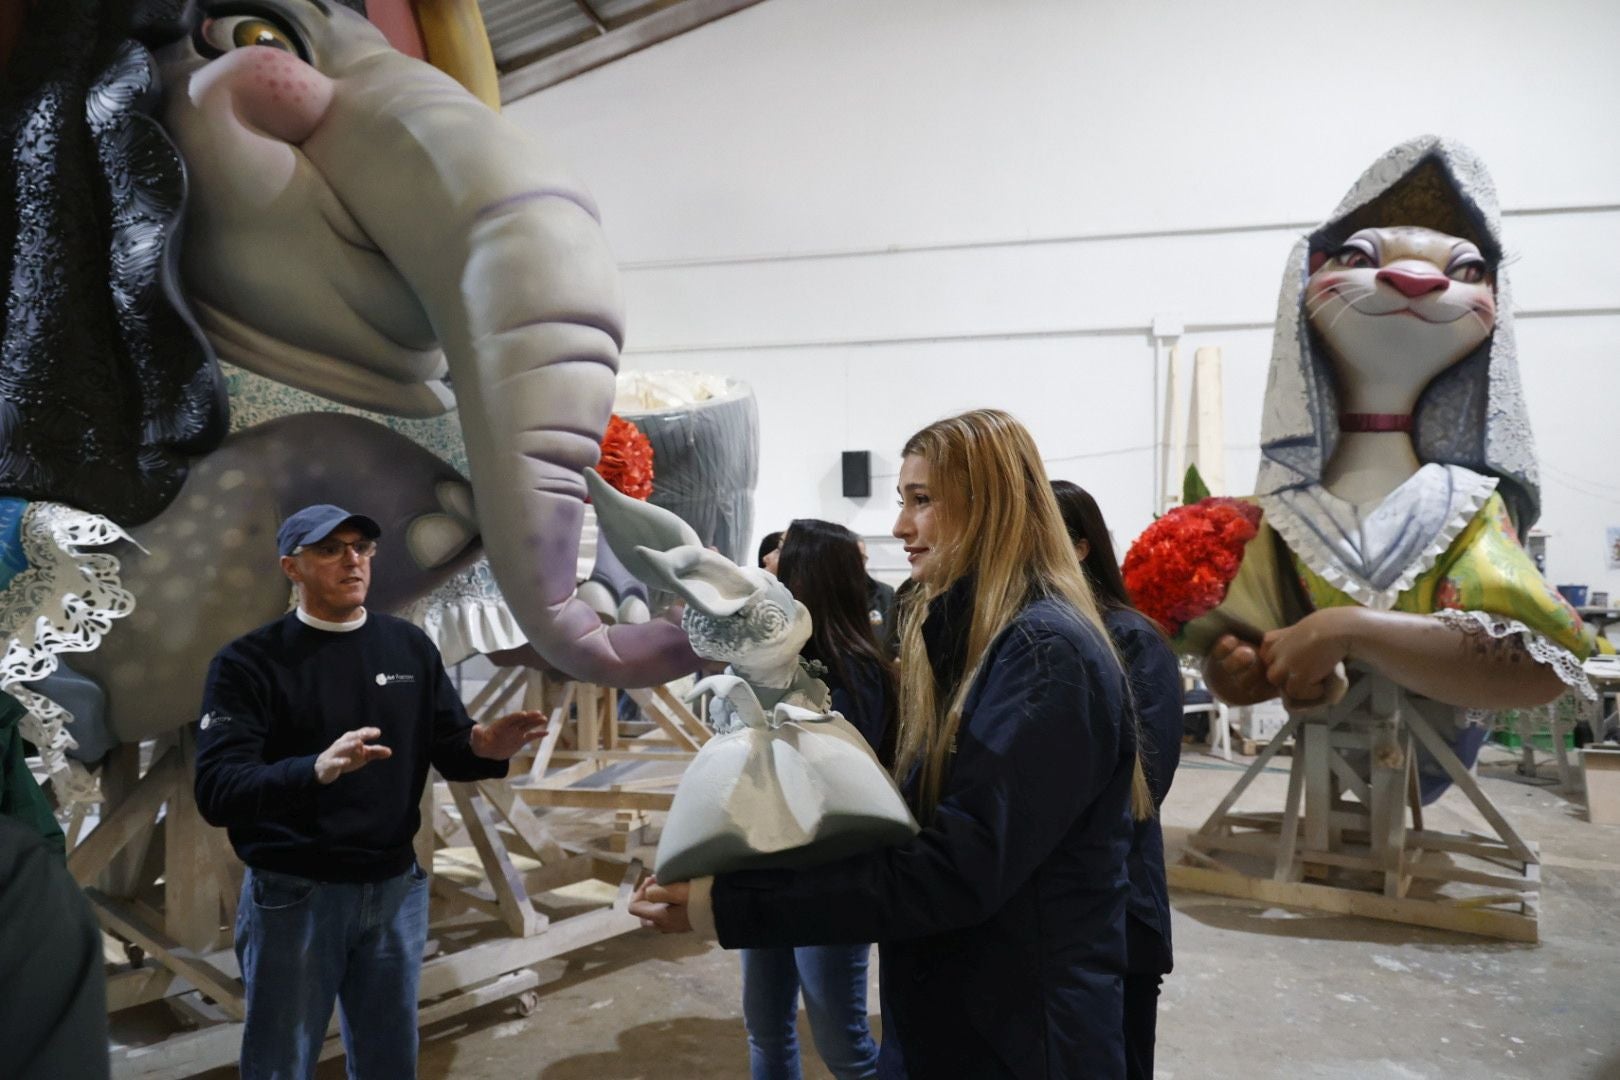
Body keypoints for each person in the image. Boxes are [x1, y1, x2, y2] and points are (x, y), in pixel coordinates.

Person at [634, 409, 1153, 1079]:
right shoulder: (975, 643)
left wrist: (729, 907)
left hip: (1025, 1038)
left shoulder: (1043, 654)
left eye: (922, 500)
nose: (900, 526)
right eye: (901, 501)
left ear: (990, 504)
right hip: (968, 1017)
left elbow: (955, 870)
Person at [194, 504, 549, 1079]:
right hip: (297, 895)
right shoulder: (249, 663)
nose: (352, 560)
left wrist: (485, 745)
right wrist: (316, 768)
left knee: (389, 1057)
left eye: (361, 546)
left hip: (393, 889)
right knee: (281, 1060)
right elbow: (218, 790)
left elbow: (451, 748)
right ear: (293, 567)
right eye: (330, 549)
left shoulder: (407, 648)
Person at [739, 518, 897, 1080]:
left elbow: (835, 781)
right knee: (766, 1026)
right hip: (766, 864)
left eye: (783, 552)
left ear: (810, 572)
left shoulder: (855, 672)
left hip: (830, 874)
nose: (769, 563)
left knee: (843, 1043)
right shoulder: (779, 661)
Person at [1052, 480, 1182, 1080]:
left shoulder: (1132, 639)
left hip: (1119, 904)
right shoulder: (1034, 633)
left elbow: (1144, 783)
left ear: (1080, 547)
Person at [856, 538, 899, 657]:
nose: (857, 563)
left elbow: (894, 642)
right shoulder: (826, 597)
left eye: (861, 557)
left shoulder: (885, 593)